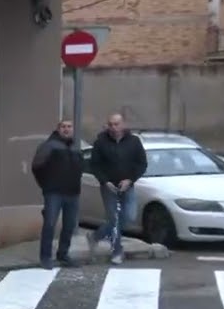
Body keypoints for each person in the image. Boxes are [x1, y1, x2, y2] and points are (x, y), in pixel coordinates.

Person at [87, 113, 148, 264]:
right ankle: (117, 251)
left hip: (127, 186)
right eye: (111, 124)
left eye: (116, 124)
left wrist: (130, 179)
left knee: (129, 216)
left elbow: (141, 164)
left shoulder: (134, 141)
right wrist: (105, 181)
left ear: (123, 125)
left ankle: (97, 236)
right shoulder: (100, 142)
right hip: (109, 187)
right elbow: (94, 165)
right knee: (114, 219)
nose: (114, 128)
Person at [31, 119, 84, 269]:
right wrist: (46, 185)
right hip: (54, 193)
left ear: (73, 129)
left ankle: (63, 254)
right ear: (58, 129)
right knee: (49, 224)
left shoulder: (74, 148)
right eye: (63, 127)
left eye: (69, 127)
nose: (66, 129)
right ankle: (45, 257)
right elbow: (36, 167)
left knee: (69, 226)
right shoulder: (49, 146)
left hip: (72, 193)